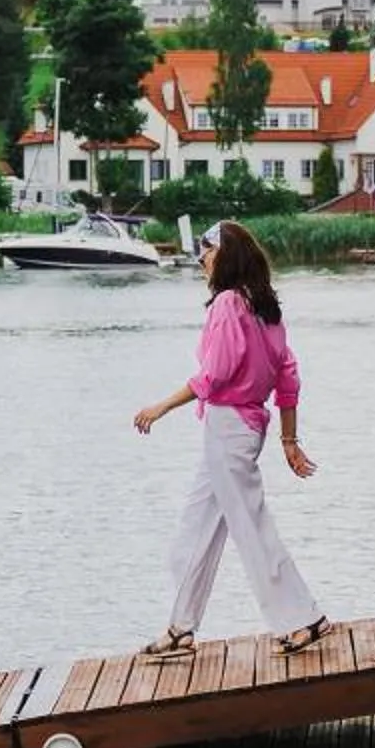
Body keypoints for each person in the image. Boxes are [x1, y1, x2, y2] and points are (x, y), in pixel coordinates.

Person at [132, 221, 329, 659]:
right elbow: (288, 377)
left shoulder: (226, 304)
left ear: (225, 256)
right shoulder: (265, 308)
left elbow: (214, 374)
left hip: (227, 427)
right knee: (194, 530)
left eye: (206, 251)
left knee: (251, 527)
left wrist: (160, 406)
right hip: (247, 427)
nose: (201, 259)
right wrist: (288, 438)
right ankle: (181, 627)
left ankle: (302, 618)